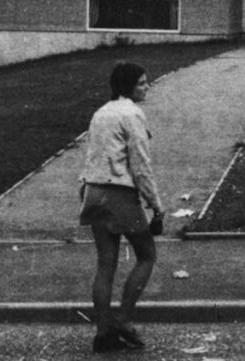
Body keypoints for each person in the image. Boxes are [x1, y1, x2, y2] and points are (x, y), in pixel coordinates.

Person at [78, 62, 165, 353]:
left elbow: (92, 155)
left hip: (93, 191)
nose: (147, 87)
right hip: (119, 194)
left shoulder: (101, 112)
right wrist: (157, 206)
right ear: (128, 86)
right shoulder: (133, 114)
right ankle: (124, 320)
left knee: (106, 264)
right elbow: (140, 166)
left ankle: (104, 331)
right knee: (146, 255)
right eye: (141, 83)